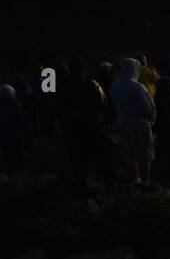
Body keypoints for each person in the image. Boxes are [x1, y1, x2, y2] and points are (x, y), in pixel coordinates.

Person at [55, 57, 114, 194]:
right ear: (83, 69)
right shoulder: (92, 84)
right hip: (92, 126)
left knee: (77, 160)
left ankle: (81, 187)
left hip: (73, 129)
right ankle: (110, 184)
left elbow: (58, 109)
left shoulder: (62, 87)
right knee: (103, 156)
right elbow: (104, 103)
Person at [110, 57, 156, 186]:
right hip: (141, 125)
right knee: (144, 155)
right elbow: (148, 106)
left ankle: (135, 179)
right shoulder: (137, 86)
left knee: (130, 154)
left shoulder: (116, 85)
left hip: (124, 124)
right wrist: (152, 119)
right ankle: (145, 181)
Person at [0, 84, 32, 174]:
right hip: (15, 140)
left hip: (3, 140)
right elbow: (24, 122)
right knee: (16, 162)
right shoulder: (16, 106)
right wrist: (30, 131)